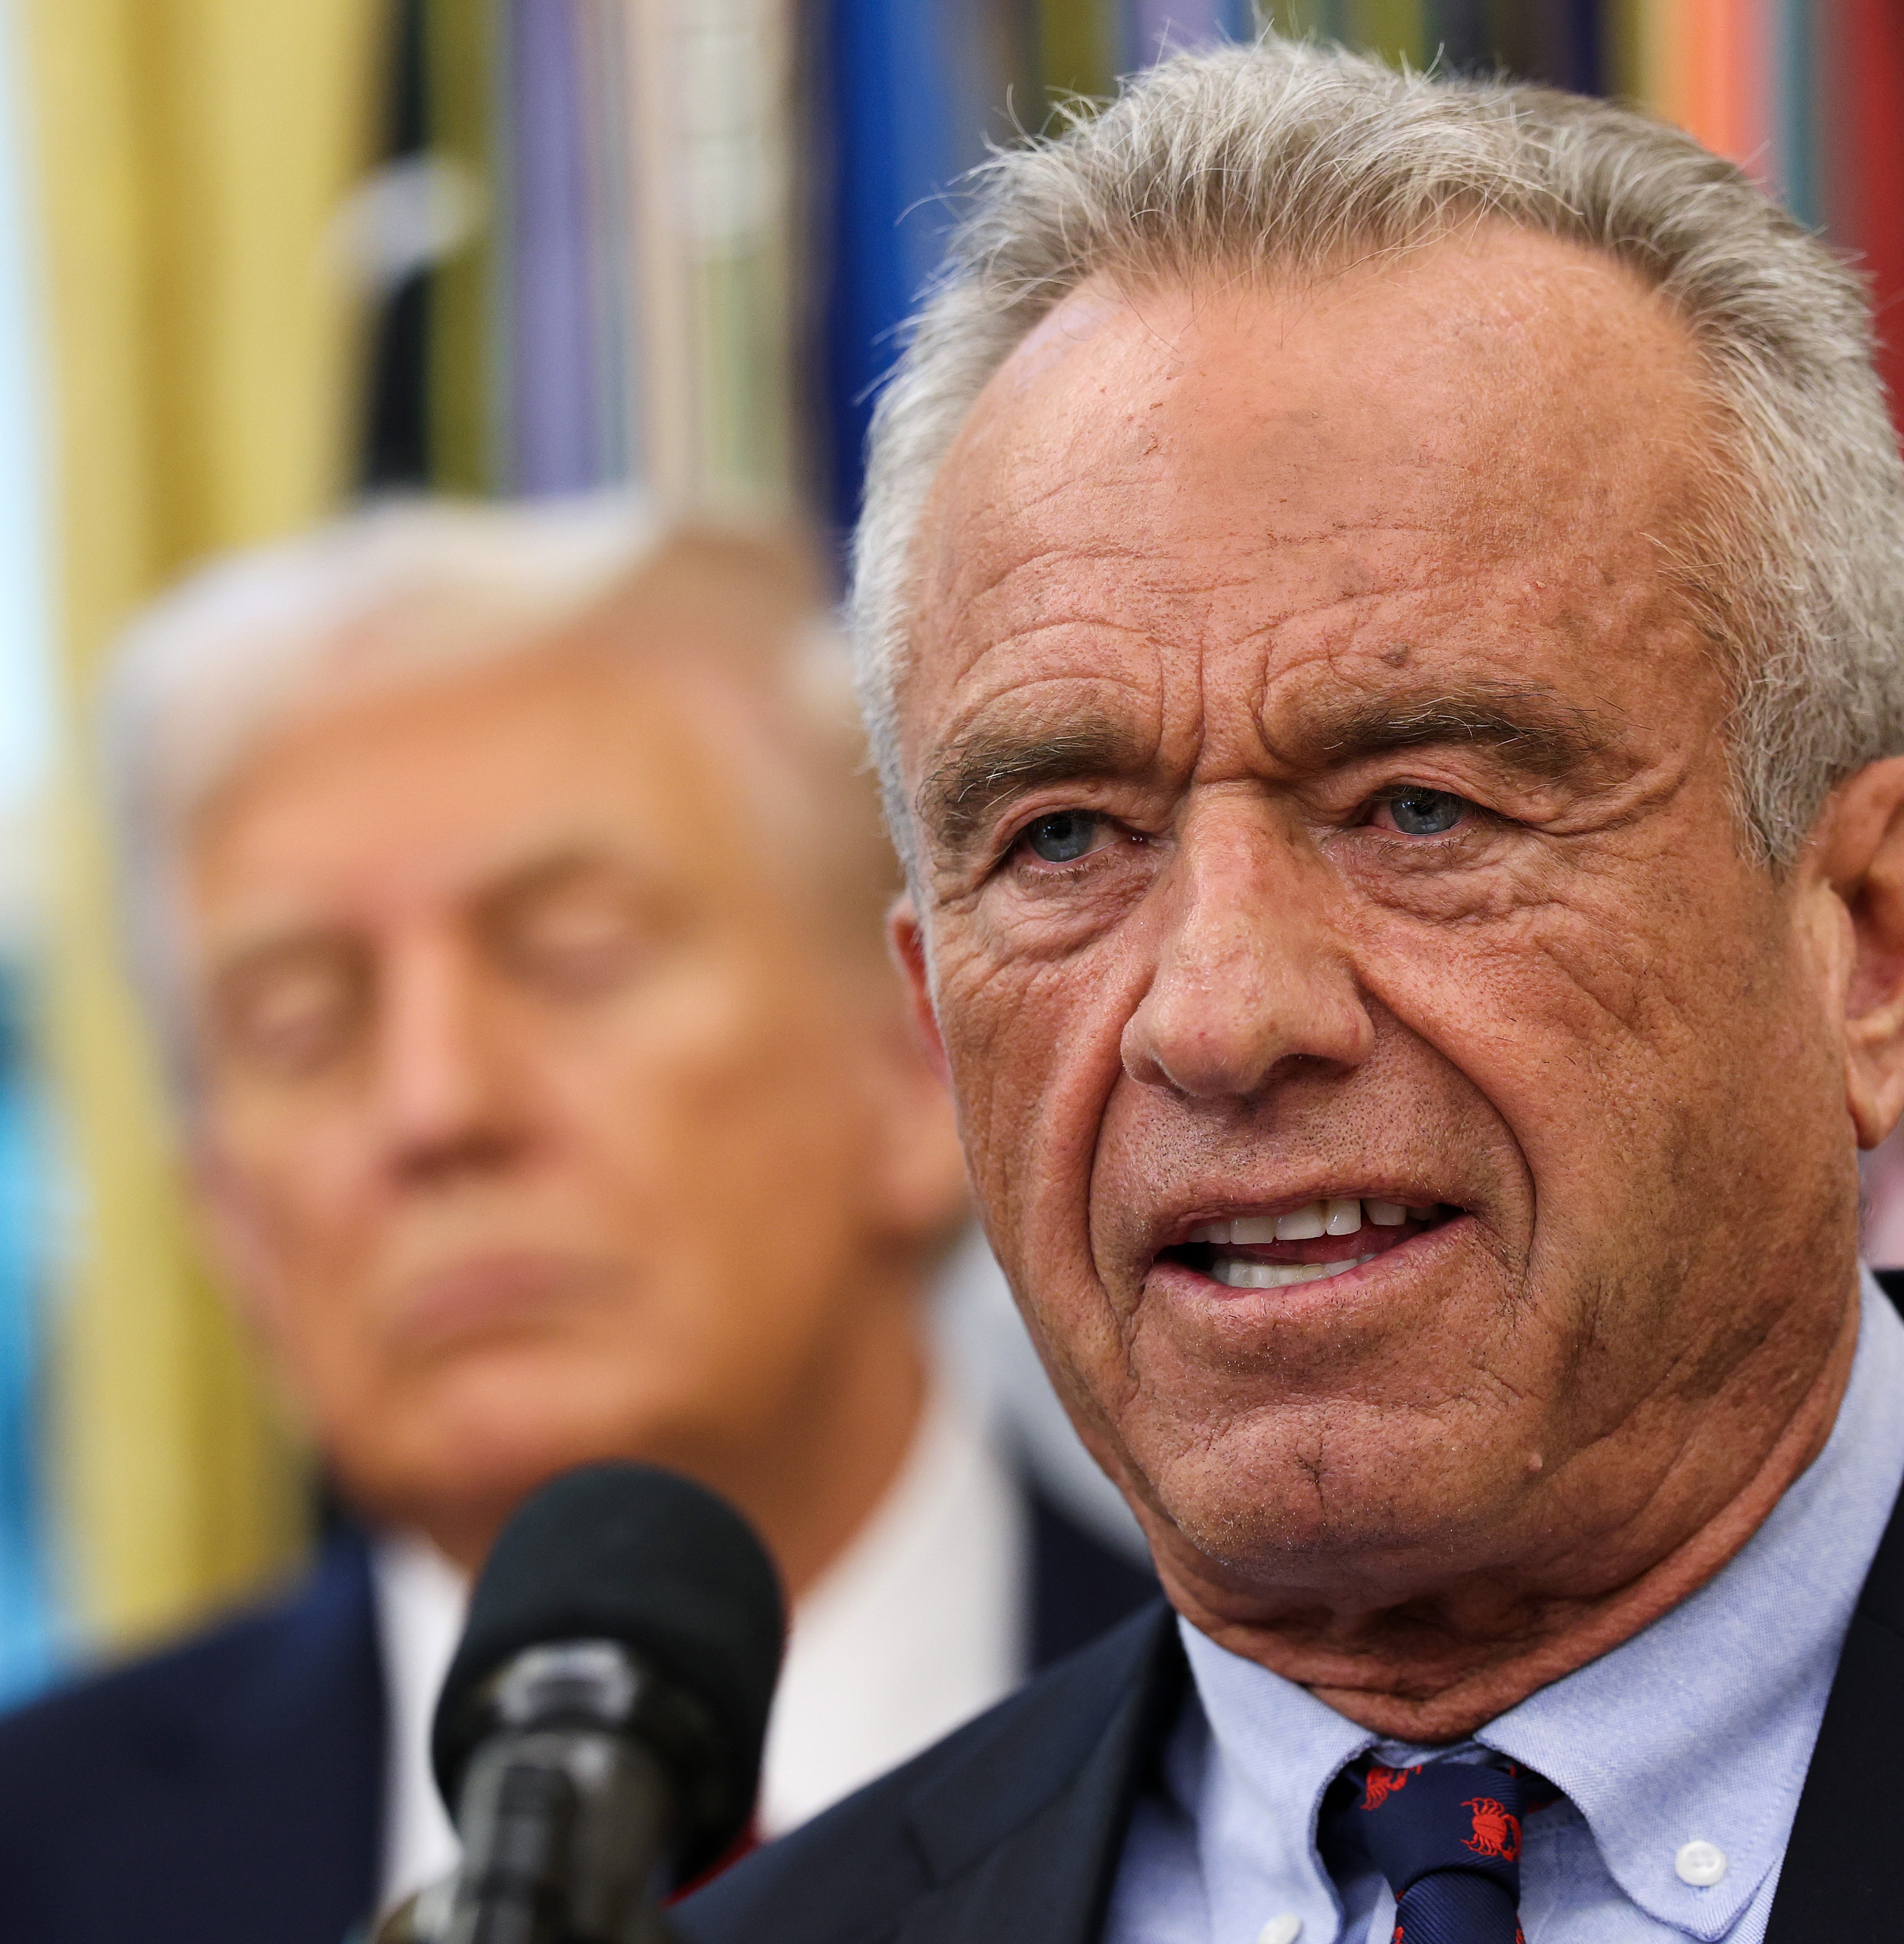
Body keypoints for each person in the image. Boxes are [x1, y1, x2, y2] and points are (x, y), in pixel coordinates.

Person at [679, 43, 1904, 1944]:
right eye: (1069, 842)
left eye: (1424, 805)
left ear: (1872, 938)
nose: (1221, 1013)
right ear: (938, 1025)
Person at [0, 503, 1155, 1944]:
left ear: (920, 1063)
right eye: (301, 1025)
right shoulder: (39, 1865)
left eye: (575, 957)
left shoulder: (1313, 1769)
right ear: (223, 1211)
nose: (435, 1108)